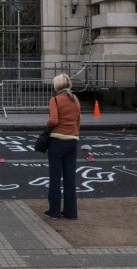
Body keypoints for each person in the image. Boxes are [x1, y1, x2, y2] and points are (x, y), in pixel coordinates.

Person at [44, 73, 81, 221]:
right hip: (73, 140)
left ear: (57, 85)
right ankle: (71, 212)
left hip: (58, 140)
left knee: (55, 176)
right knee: (70, 177)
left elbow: (53, 120)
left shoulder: (55, 100)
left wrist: (47, 124)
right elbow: (79, 121)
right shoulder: (75, 100)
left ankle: (54, 211)